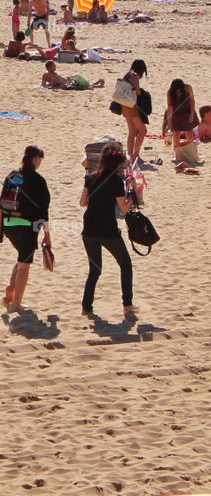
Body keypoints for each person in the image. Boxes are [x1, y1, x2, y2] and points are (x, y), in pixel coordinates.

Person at [79, 142, 136, 318]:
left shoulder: (91, 177)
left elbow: (82, 202)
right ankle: (127, 304)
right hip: (108, 230)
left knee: (95, 269)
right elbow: (124, 208)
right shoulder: (116, 181)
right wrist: (133, 192)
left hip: (89, 228)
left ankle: (86, 307)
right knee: (125, 265)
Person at [0, 146, 52, 310]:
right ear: (36, 159)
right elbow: (43, 212)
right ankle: (17, 304)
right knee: (24, 266)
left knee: (21, 257)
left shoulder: (12, 175)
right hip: (26, 227)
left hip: (8, 225)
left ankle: (11, 289)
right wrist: (47, 236)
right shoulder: (38, 180)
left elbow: (0, 204)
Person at [119, 59, 150, 167]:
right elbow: (137, 91)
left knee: (132, 131)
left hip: (124, 105)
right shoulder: (135, 75)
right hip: (131, 105)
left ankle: (130, 155)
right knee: (142, 130)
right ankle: (135, 155)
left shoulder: (127, 74)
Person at [163, 78, 198, 151]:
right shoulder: (170, 92)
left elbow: (192, 101)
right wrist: (169, 125)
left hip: (187, 111)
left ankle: (190, 150)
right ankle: (177, 151)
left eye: (179, 91)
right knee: (176, 132)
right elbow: (170, 108)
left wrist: (191, 114)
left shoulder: (188, 88)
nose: (178, 93)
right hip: (176, 113)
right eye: (176, 92)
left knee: (189, 131)